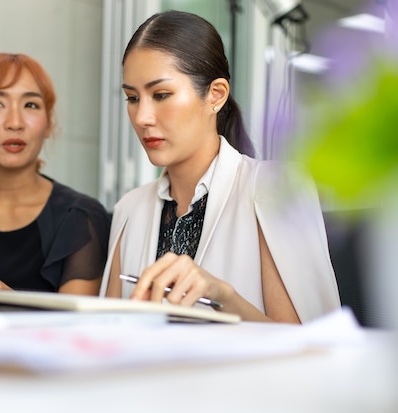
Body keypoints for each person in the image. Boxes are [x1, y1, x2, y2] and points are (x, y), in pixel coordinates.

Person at [100, 10, 341, 323]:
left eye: (161, 95)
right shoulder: (129, 209)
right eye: (132, 98)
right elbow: (106, 334)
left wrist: (222, 296)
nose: (142, 117)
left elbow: (309, 348)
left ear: (216, 95)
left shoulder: (275, 189)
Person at [0, 53, 110, 295]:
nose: (15, 122)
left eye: (30, 105)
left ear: (48, 124)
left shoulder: (80, 217)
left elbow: (73, 330)